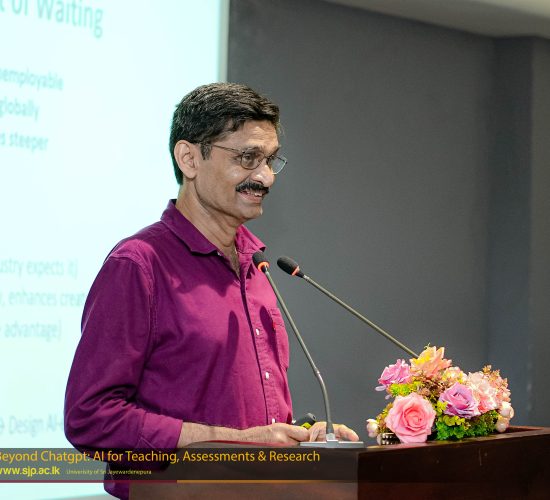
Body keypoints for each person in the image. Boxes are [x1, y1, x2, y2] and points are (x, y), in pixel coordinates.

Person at [64, 83, 358, 497]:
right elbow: (91, 417)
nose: (266, 177)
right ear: (189, 158)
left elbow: (247, 419)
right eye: (247, 158)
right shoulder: (138, 265)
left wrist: (303, 438)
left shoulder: (257, 266)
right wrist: (238, 444)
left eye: (271, 160)